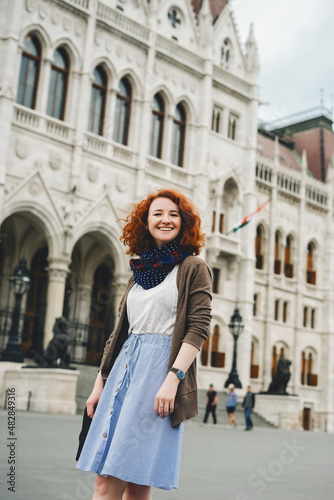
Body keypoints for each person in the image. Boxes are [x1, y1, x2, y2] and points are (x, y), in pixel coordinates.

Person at [76, 188, 212, 499]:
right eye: (158, 214)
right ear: (145, 222)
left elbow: (198, 327)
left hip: (159, 373)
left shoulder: (193, 267)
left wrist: (172, 380)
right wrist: (100, 383)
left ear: (184, 222)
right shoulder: (137, 273)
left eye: (173, 214)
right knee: (125, 482)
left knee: (123, 478)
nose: (166, 220)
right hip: (123, 371)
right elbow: (119, 334)